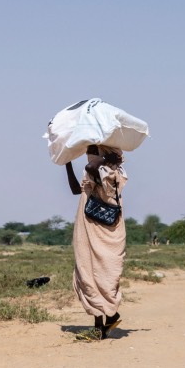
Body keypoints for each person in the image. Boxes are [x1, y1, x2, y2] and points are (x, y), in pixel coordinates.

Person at [65, 144, 128, 339]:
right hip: (90, 227)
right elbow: (77, 190)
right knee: (89, 271)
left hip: (106, 230)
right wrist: (66, 162)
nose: (87, 156)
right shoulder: (97, 170)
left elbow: (93, 168)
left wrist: (107, 159)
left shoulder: (111, 173)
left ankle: (108, 318)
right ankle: (100, 326)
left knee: (104, 273)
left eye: (91, 152)